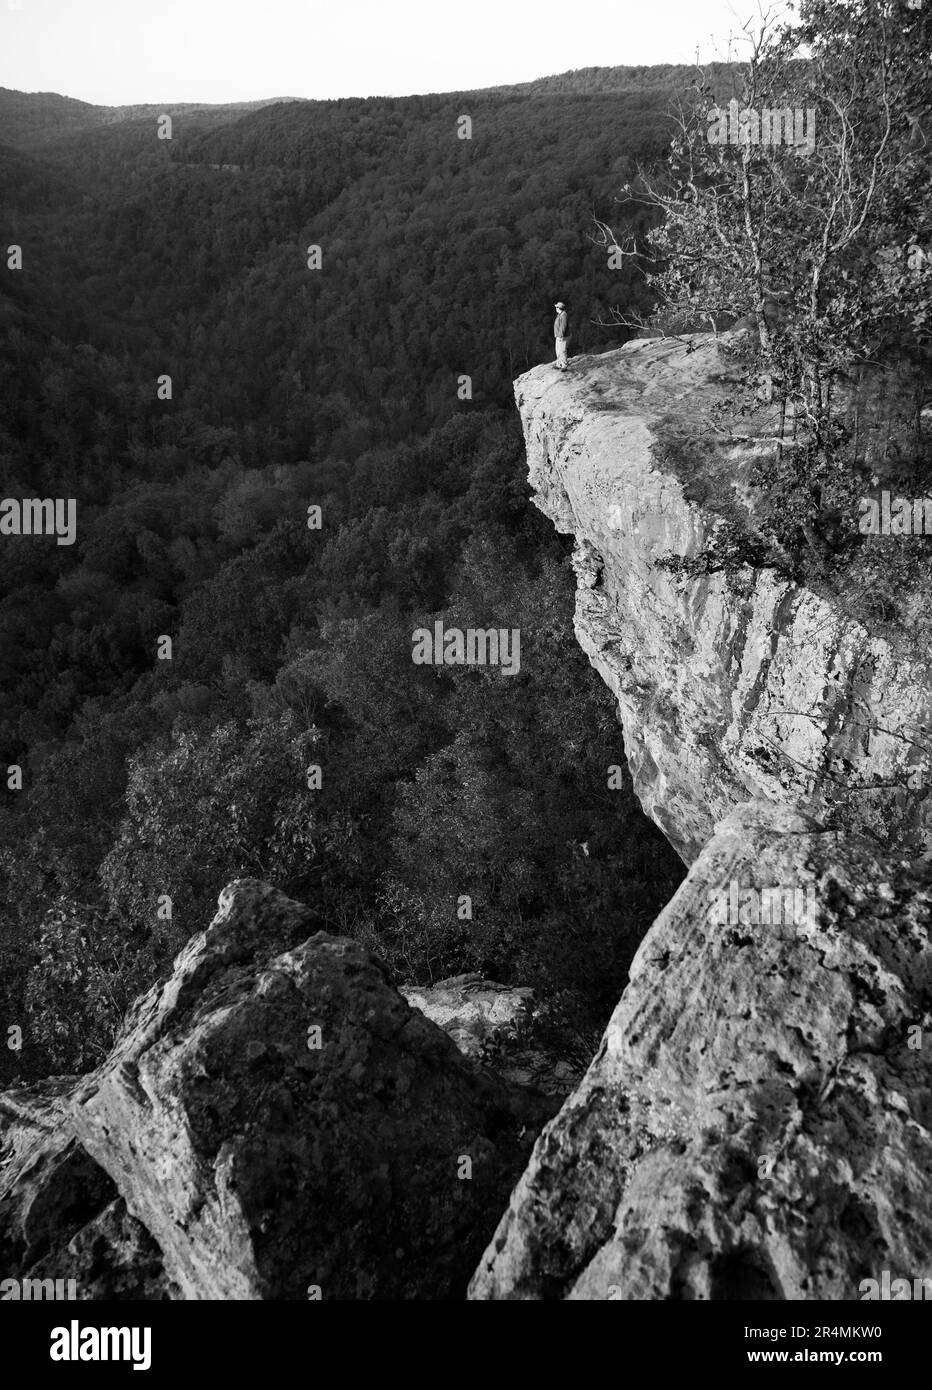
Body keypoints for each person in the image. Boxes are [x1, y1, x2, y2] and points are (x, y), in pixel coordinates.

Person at [553, 301, 569, 370]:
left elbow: (563, 326)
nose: (555, 308)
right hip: (558, 336)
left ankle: (564, 366)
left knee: (562, 350)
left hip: (563, 336)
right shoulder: (560, 314)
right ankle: (559, 364)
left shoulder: (563, 315)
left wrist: (561, 336)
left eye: (556, 307)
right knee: (558, 350)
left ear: (559, 308)